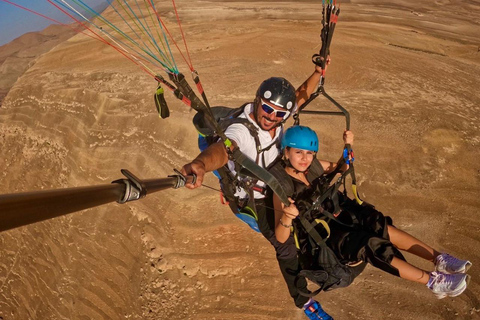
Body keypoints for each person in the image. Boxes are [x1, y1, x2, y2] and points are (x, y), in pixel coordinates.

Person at [270, 125, 472, 319]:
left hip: (340, 215)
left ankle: (439, 259)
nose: (305, 159)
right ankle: (433, 282)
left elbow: (340, 168)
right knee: (368, 244)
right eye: (299, 152)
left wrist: (347, 148)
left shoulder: (314, 166)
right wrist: (287, 216)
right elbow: (281, 237)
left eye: (309, 153)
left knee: (377, 223)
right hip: (323, 237)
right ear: (286, 152)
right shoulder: (282, 188)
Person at [181, 66, 332, 319]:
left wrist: (318, 70)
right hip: (256, 198)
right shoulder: (241, 131)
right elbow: (222, 150)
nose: (271, 117)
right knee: (285, 247)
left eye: (279, 113)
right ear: (258, 101)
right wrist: (200, 164)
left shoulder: (279, 114)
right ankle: (304, 301)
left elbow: (301, 95)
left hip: (280, 180)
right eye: (268, 109)